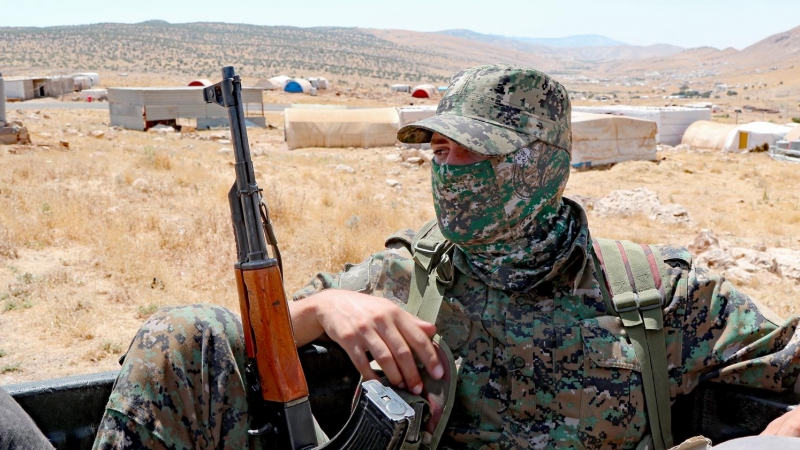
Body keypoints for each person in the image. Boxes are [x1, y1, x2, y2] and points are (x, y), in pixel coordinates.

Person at [85, 64, 800, 449]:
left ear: (541, 165)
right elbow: (262, 334)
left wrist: (773, 441)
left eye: (468, 149)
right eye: (436, 147)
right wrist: (326, 306)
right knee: (180, 334)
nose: (444, 165)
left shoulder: (657, 298)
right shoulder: (402, 275)